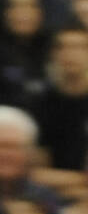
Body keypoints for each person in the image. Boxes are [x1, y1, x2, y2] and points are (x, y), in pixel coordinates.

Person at [31, 26, 88, 176]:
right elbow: (38, 172)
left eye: (78, 47)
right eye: (62, 47)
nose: (70, 54)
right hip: (52, 192)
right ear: (54, 54)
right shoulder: (42, 104)